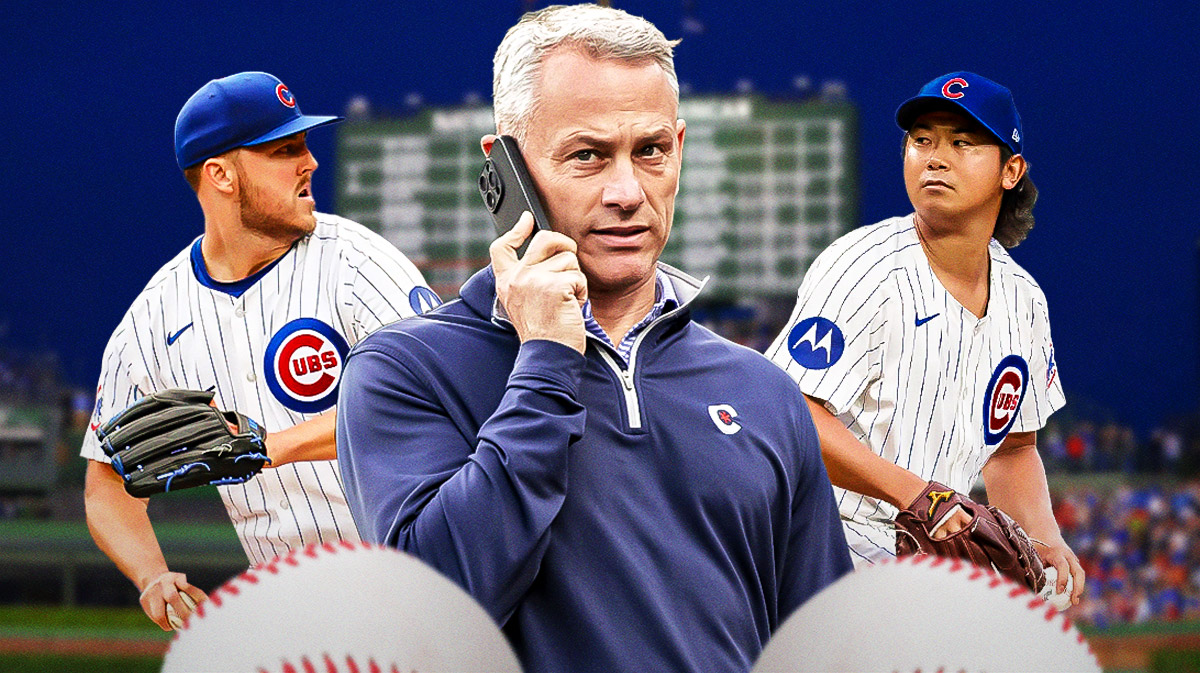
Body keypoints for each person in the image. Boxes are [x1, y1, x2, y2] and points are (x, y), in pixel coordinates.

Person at [336, 5, 851, 672]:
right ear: (504, 172)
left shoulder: (764, 392)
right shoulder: (404, 370)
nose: (628, 191)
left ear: (681, 150)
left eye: (651, 150)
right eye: (588, 155)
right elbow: (435, 610)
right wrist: (546, 360)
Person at [81, 71, 438, 631]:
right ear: (220, 174)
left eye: (305, 145)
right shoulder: (152, 319)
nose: (310, 162)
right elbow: (107, 481)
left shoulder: (355, 263)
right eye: (284, 150)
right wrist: (150, 574)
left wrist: (269, 446)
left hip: (424, 584)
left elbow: (429, 404)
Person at [766, 71, 1085, 605]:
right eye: (922, 140)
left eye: (962, 142)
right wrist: (918, 495)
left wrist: (1045, 537)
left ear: (1011, 170)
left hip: (924, 560)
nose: (935, 157)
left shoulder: (1025, 301)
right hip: (816, 547)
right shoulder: (865, 265)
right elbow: (791, 409)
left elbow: (1012, 448)